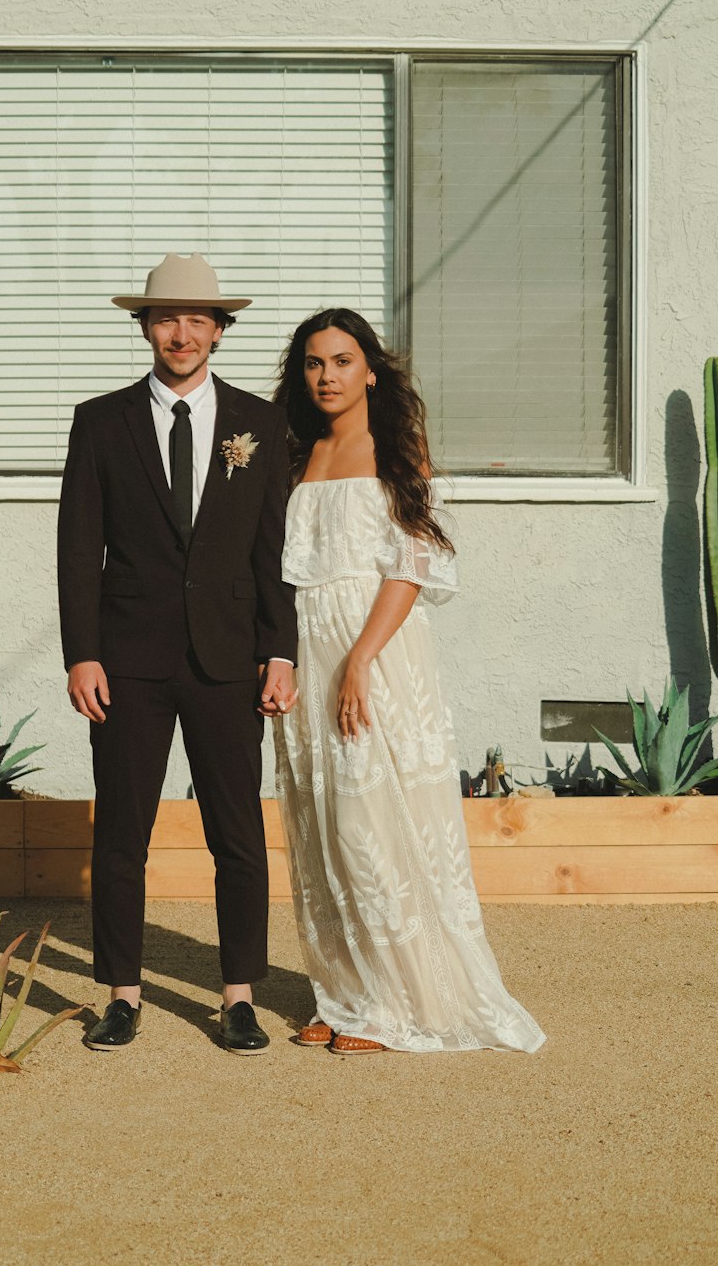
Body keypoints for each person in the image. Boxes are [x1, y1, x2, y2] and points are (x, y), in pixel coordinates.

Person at [272, 307, 545, 1055]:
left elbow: (414, 562)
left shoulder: (396, 444)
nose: (326, 376)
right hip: (308, 645)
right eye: (313, 363)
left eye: (342, 360)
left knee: (373, 822)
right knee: (322, 825)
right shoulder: (297, 451)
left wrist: (360, 659)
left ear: (370, 369)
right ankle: (347, 994)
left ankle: (400, 1006)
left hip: (376, 648)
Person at [58, 253, 298, 1054]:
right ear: (146, 328)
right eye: (167, 318)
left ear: (220, 331)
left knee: (236, 833)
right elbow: (77, 548)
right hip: (126, 660)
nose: (182, 333)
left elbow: (273, 554)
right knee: (121, 833)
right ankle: (122, 993)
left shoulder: (259, 426)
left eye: (199, 320)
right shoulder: (100, 420)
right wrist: (82, 653)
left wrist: (281, 652)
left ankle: (237, 996)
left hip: (229, 660)